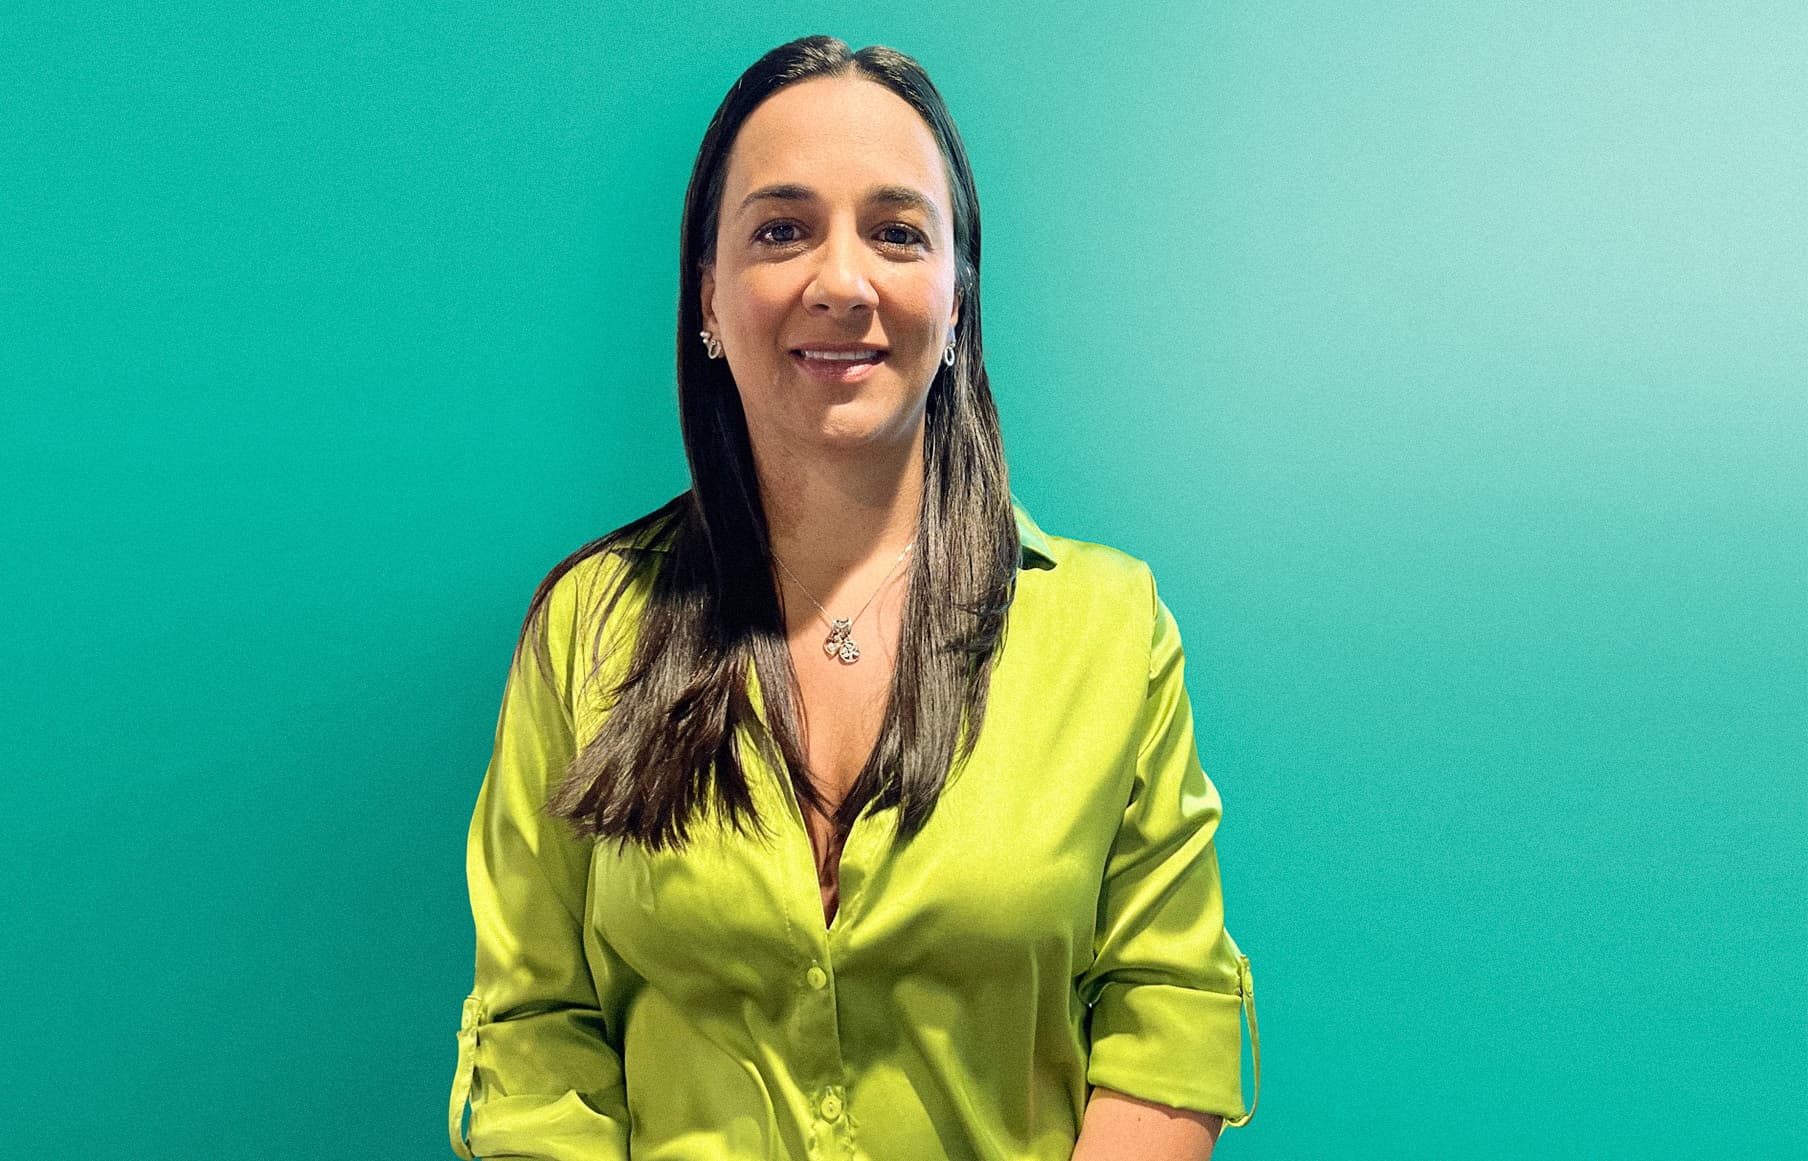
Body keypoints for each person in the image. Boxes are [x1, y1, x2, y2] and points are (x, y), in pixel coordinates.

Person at [448, 34, 1258, 1161]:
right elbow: (536, 1035)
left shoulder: (1112, 633)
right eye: (781, 230)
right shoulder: (587, 627)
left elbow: (1166, 1021)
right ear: (710, 301)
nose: (841, 281)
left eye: (895, 232)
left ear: (959, 295)